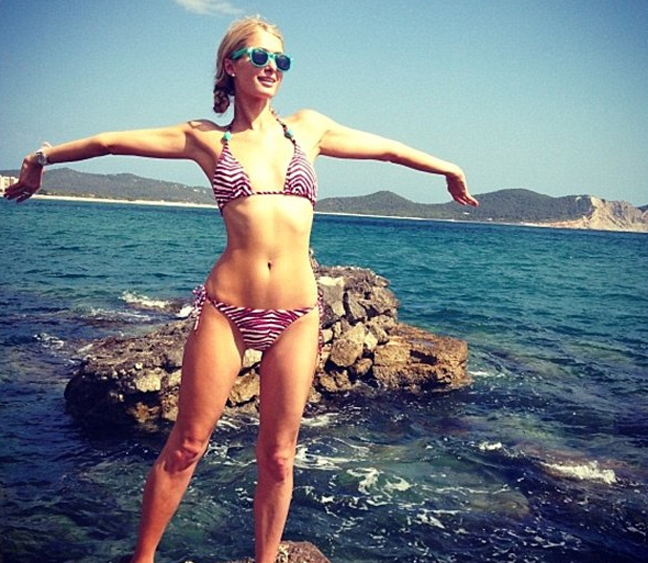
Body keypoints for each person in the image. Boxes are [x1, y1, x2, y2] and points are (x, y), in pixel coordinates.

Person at [4, 15, 478, 563]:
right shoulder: (206, 138)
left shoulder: (307, 129)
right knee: (187, 445)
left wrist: (448, 168)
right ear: (230, 65)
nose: (272, 67)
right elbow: (111, 143)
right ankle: (143, 558)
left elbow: (388, 150)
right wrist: (41, 159)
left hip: (298, 314)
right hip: (227, 309)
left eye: (281, 59)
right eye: (259, 56)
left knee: (278, 456)